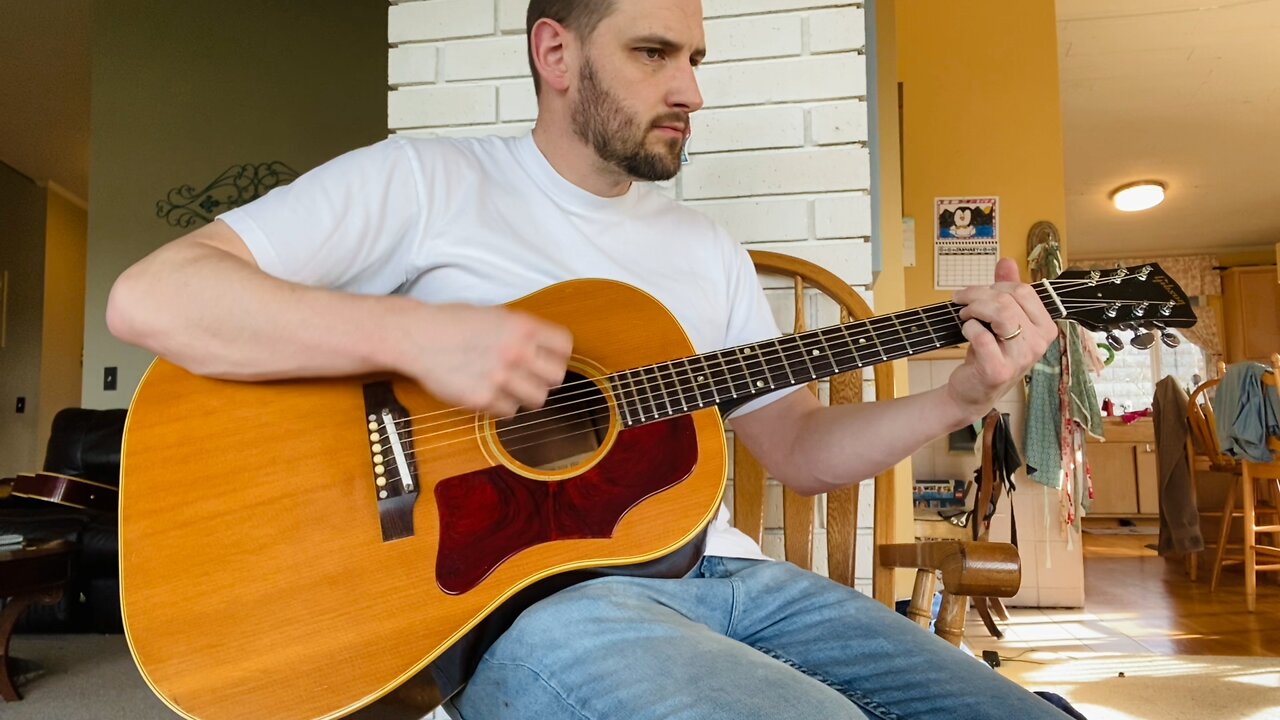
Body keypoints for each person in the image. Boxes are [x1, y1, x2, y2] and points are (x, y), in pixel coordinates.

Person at [107, 1, 1067, 718]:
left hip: (734, 584)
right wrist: (413, 336)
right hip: (530, 610)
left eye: (693, 57)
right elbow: (153, 296)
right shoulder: (425, 180)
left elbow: (800, 448)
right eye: (653, 53)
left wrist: (959, 396)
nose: (690, 87)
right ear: (555, 51)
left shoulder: (706, 251)